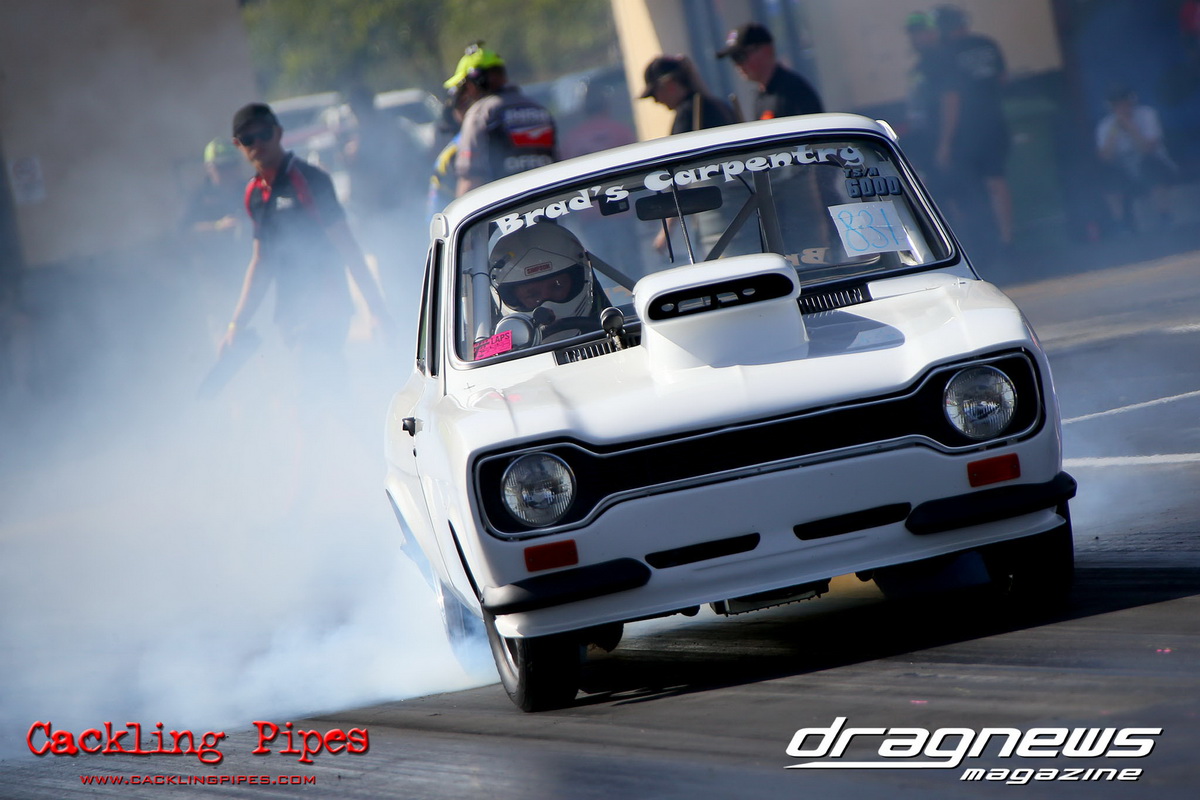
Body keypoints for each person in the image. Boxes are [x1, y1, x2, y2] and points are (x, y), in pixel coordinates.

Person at [218, 102, 391, 399]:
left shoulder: (309, 180)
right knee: (326, 399)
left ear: (278, 133)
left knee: (308, 396)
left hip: (325, 307)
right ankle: (362, 424)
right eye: (248, 139)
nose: (257, 144)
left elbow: (348, 247)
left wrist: (377, 310)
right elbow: (261, 262)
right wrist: (236, 324)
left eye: (263, 134)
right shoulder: (254, 194)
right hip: (289, 313)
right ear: (238, 145)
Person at [932, 5, 1013, 247]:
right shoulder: (988, 44)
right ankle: (1007, 239)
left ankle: (982, 243)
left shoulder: (946, 54)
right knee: (997, 180)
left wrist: (945, 143)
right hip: (996, 122)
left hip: (968, 131)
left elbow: (952, 99)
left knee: (969, 186)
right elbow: (1003, 78)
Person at [444, 42, 557, 197]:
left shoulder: (479, 113)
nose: (465, 93)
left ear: (477, 81)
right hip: (548, 202)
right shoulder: (539, 109)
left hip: (506, 207)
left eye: (465, 85)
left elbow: (470, 181)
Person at [487, 223, 611, 348]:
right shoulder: (495, 356)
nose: (548, 308)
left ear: (579, 281)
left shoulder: (618, 329)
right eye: (532, 295)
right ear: (511, 298)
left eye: (557, 286)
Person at [1095, 85, 1179, 232]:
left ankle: (1165, 216)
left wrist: (1131, 127)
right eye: (1117, 104)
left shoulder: (1147, 114)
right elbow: (1105, 157)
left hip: (1155, 166)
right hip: (1127, 173)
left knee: (1151, 165)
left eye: (1124, 102)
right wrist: (1115, 130)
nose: (1122, 107)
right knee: (1107, 175)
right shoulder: (1105, 126)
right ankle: (1119, 223)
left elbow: (1147, 149)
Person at [717, 22, 823, 120]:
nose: (738, 65)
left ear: (766, 50)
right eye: (733, 58)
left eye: (740, 56)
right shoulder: (761, 97)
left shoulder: (794, 91)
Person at [640, 55, 737, 134]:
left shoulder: (687, 114)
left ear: (670, 85)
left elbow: (679, 150)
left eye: (654, 95)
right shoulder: (721, 106)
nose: (656, 101)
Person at [901, 12, 944, 175]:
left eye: (920, 32)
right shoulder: (921, 65)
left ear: (933, 32)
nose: (915, 38)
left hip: (940, 136)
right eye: (913, 33)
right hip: (924, 136)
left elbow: (949, 100)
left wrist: (945, 144)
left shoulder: (941, 61)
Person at [559, 79, 637, 159]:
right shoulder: (621, 132)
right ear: (605, 103)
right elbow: (635, 157)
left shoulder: (572, 140)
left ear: (584, 107)